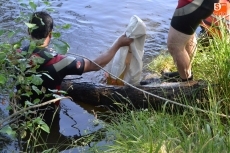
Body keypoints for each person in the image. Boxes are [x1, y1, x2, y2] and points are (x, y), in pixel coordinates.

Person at [17, 11, 133, 110]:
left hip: (19, 113)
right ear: (50, 34)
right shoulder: (61, 62)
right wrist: (118, 44)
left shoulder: (14, 56)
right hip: (48, 116)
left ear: (28, 31)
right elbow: (96, 65)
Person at [163, 0, 219, 82]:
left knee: (174, 45)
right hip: (198, 2)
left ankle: (187, 84)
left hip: (194, 2)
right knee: (187, 34)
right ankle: (185, 72)